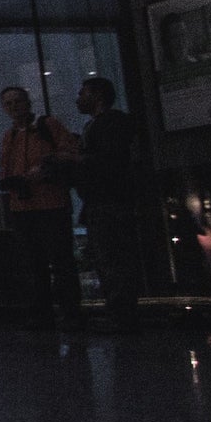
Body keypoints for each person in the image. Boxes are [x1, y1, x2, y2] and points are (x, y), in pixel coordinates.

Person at [0, 85, 82, 321]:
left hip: (51, 203)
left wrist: (43, 169)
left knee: (60, 260)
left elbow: (69, 152)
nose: (14, 107)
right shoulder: (10, 136)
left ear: (28, 102)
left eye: (17, 102)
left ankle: (70, 313)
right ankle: (43, 312)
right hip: (23, 206)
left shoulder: (47, 126)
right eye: (9, 104)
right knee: (34, 262)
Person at [74, 75, 144, 331]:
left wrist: (78, 159)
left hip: (107, 201)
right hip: (109, 200)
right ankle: (122, 313)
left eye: (83, 93)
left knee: (112, 259)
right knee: (113, 258)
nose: (78, 99)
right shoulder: (109, 125)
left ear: (97, 96)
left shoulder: (108, 125)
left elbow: (107, 161)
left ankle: (122, 315)